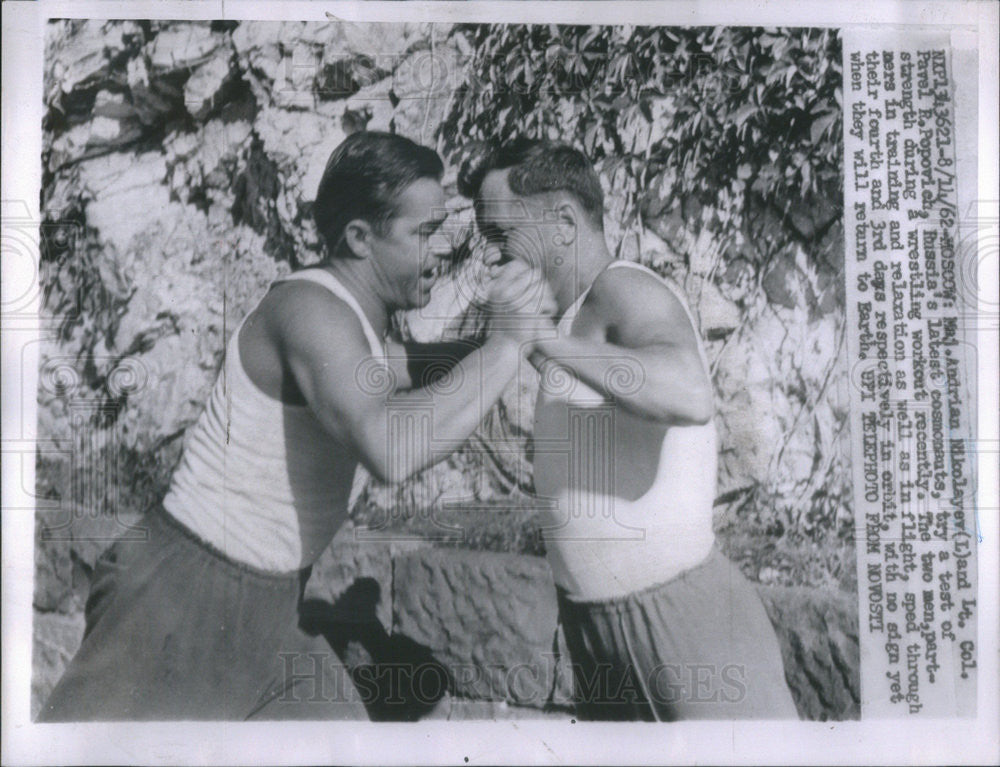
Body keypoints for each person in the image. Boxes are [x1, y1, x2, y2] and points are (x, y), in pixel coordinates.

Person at [39, 131, 552, 721]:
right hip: (183, 593)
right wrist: (508, 345)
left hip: (273, 600)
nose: (442, 252)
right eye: (424, 234)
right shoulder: (312, 312)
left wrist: (503, 343)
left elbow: (398, 368)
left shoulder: (352, 317)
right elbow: (389, 448)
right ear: (360, 237)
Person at [460, 139, 799, 721]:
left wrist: (539, 340)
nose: (492, 257)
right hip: (594, 624)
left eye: (501, 235)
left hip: (680, 620)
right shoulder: (570, 320)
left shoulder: (626, 289)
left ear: (563, 222)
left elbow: (690, 393)